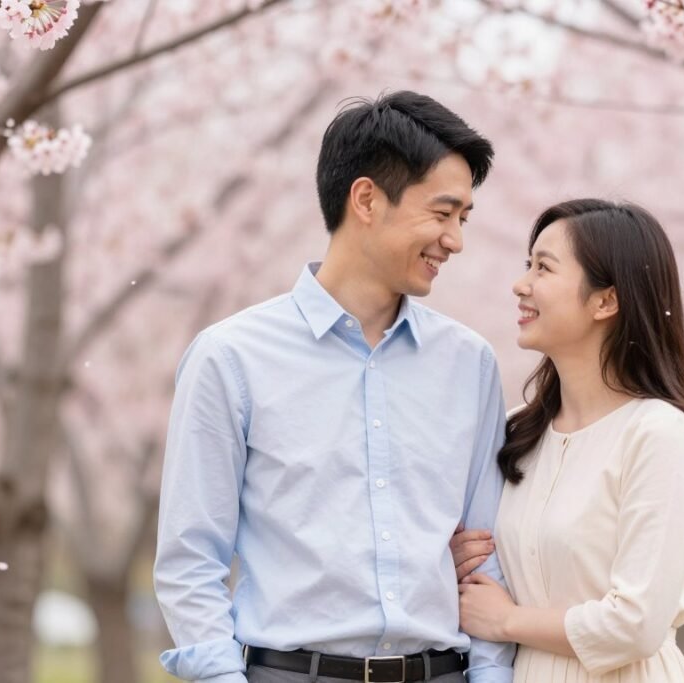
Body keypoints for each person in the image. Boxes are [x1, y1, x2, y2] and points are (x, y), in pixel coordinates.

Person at [153, 91, 515, 683]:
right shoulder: (231, 357)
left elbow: (487, 559)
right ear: (367, 199)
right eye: (442, 213)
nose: (455, 240)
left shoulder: (469, 364)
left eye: (463, 218)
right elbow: (191, 561)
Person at [451, 199, 684, 682]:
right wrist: (457, 564)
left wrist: (507, 621)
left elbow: (637, 624)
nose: (521, 285)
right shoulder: (518, 432)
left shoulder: (656, 434)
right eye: (527, 265)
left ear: (606, 300)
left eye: (544, 268)